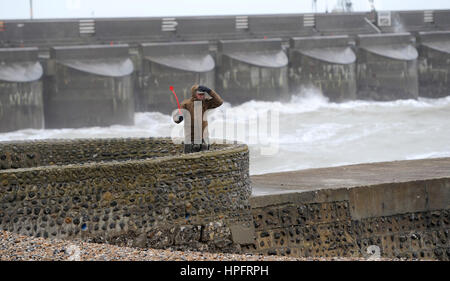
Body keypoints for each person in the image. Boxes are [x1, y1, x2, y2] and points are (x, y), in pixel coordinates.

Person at [173, 84, 223, 153]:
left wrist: (210, 91)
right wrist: (178, 118)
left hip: (204, 138)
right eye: (199, 94)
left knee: (204, 160)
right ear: (194, 94)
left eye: (203, 94)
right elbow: (176, 118)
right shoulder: (186, 104)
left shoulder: (205, 103)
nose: (202, 96)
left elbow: (219, 102)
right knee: (188, 160)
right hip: (190, 139)